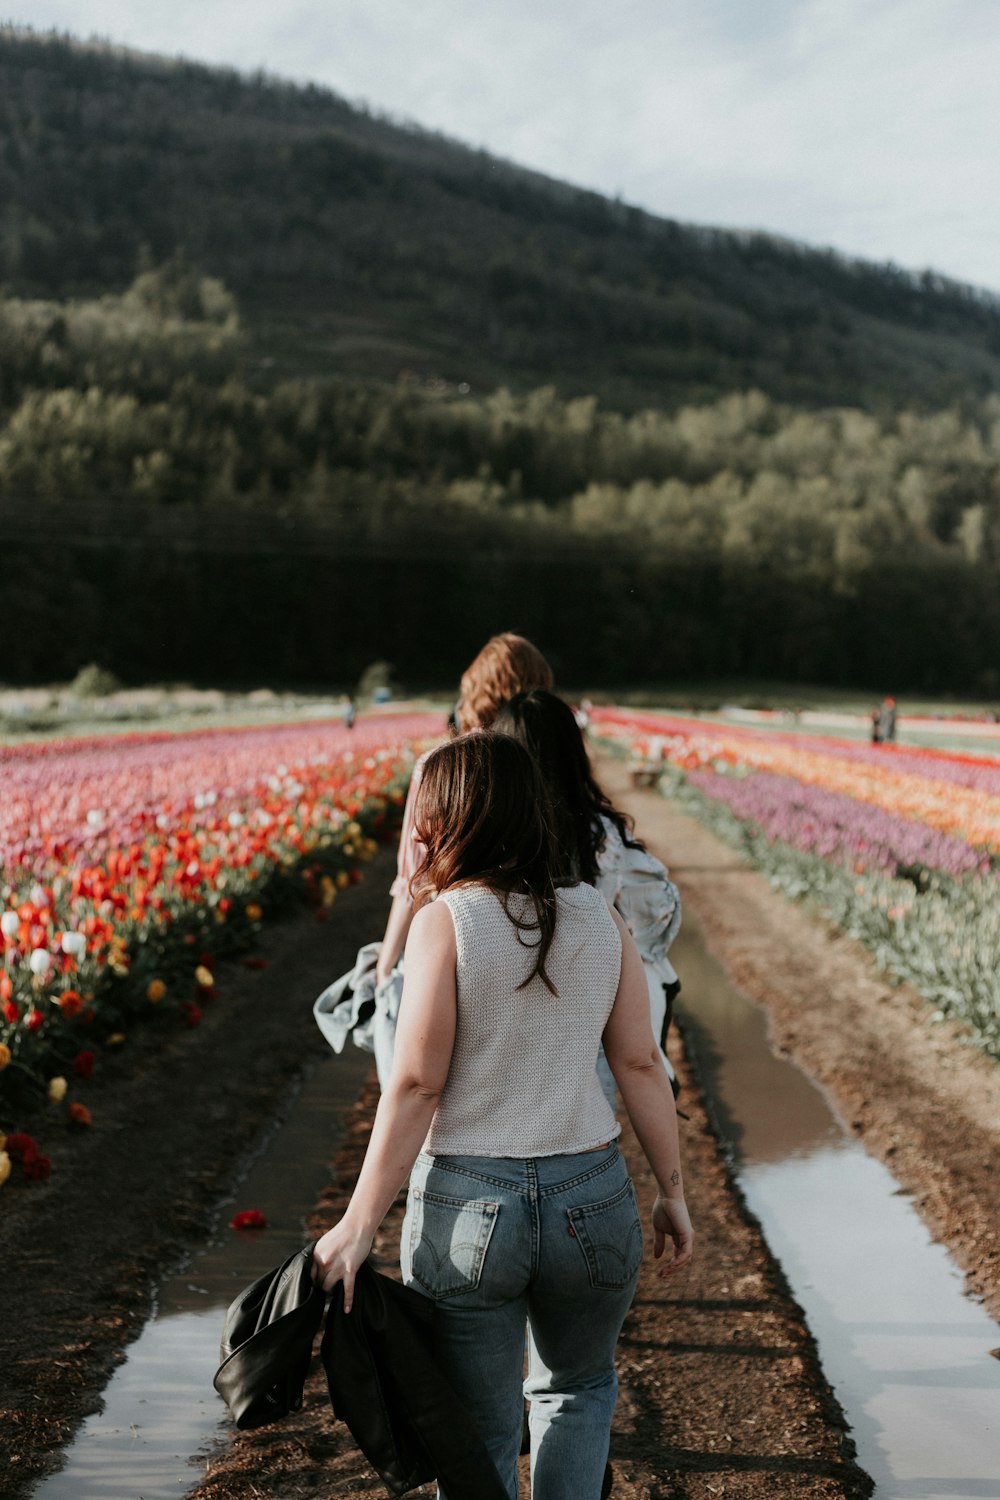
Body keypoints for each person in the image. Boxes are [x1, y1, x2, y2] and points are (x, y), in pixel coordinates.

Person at [312, 732, 693, 1500]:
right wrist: (671, 1190)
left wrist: (358, 1224)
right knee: (578, 1390)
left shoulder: (446, 921)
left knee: (480, 1428)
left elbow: (417, 1082)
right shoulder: (597, 913)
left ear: (452, 819)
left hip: (469, 1205)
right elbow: (642, 1063)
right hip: (592, 1192)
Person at [372, 633, 553, 1083]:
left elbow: (412, 876)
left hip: (452, 939)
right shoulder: (543, 767)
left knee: (432, 1079)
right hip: (537, 941)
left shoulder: (438, 767)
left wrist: (388, 962)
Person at [493, 690, 682, 1105]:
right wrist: (629, 951)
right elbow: (660, 910)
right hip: (587, 1027)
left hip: (497, 1027)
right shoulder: (600, 836)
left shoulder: (486, 839)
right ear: (573, 754)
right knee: (584, 1140)